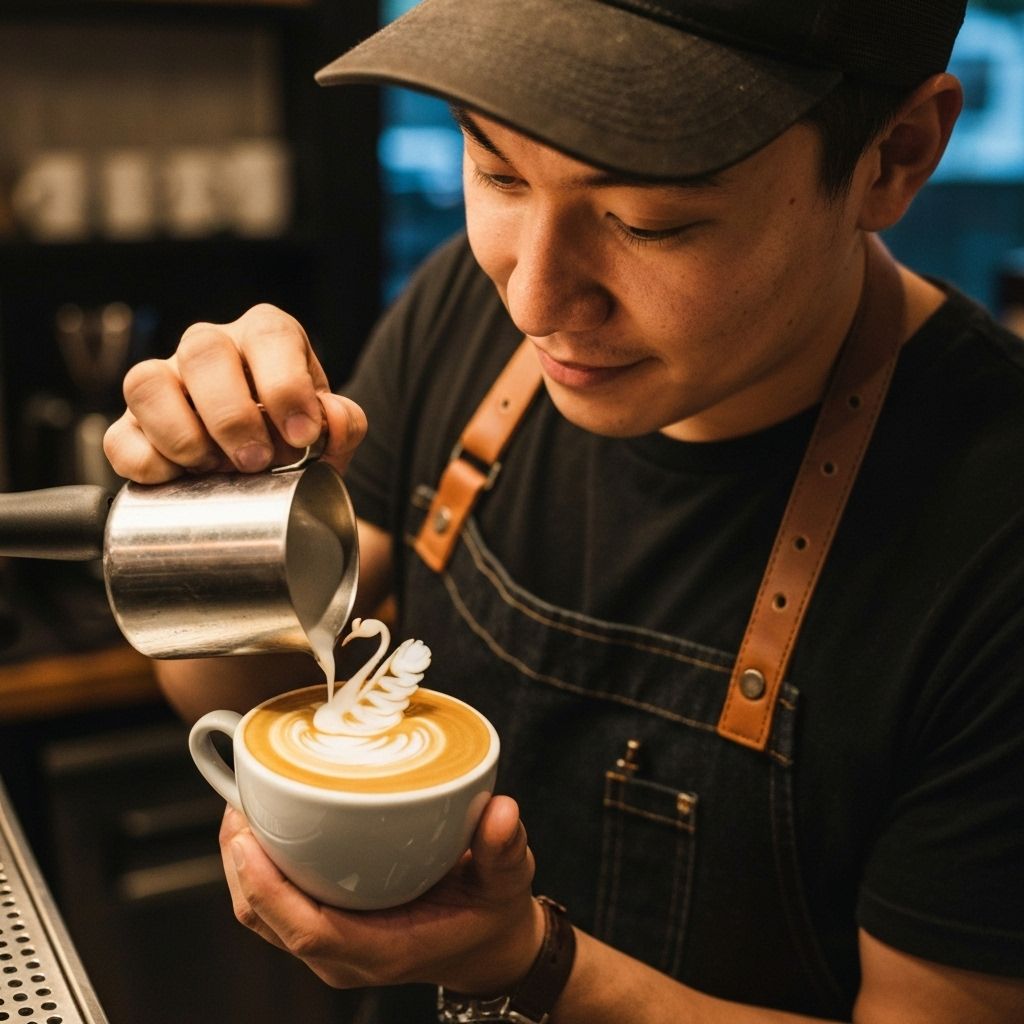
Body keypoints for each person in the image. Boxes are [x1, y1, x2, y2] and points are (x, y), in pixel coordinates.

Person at [104, 0, 1024, 1021]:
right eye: (496, 171)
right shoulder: (461, 305)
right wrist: (211, 518)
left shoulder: (991, 533)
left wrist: (534, 968)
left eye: (648, 221)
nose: (534, 297)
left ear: (893, 157)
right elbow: (234, 687)